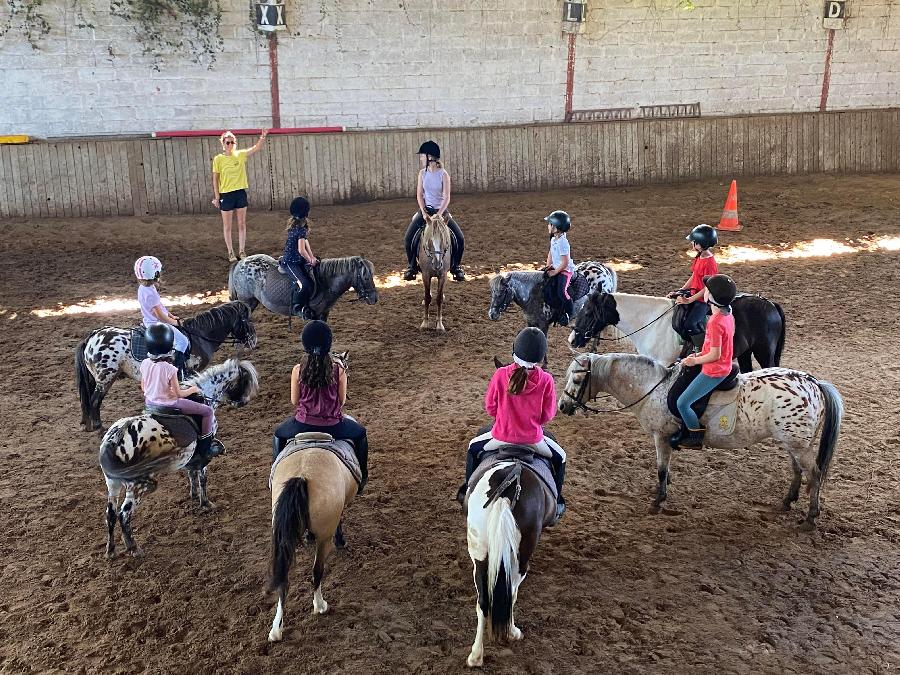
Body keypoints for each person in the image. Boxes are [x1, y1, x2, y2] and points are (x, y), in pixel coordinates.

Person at [457, 327, 567, 521]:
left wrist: (504, 418)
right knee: (561, 458)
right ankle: (557, 502)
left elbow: (490, 408)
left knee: (472, 449)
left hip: (500, 437)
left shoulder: (501, 374)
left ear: (515, 350)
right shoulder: (547, 380)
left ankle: (467, 491)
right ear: (541, 358)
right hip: (533, 440)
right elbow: (547, 416)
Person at [272, 321, 368, 492]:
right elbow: (342, 401)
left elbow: (295, 401)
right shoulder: (339, 370)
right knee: (361, 435)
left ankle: (273, 477)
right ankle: (362, 478)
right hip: (333, 425)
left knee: (278, 435)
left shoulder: (297, 369)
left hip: (301, 423)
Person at [669, 274, 737, 450]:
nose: (703, 291)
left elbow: (715, 354)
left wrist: (694, 360)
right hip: (724, 363)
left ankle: (695, 436)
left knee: (682, 403)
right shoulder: (728, 314)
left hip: (714, 370)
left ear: (711, 298)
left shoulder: (715, 321)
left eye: (706, 290)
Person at [141, 323, 225, 462]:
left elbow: (143, 387)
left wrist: (157, 390)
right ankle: (206, 448)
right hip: (169, 404)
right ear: (168, 345)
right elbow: (179, 394)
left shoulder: (145, 363)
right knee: (207, 411)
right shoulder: (170, 368)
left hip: (149, 403)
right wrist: (193, 389)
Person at [402, 140, 465, 282]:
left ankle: (456, 267)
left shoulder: (443, 174)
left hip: (441, 212)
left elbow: (447, 196)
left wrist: (439, 213)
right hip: (426, 211)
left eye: (422, 155)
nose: (420, 158)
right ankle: (412, 266)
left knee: (459, 238)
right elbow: (419, 195)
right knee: (408, 239)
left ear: (430, 156)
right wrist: (424, 212)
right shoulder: (422, 174)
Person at [211, 128, 269, 262]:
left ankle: (242, 251)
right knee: (227, 226)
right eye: (227, 143)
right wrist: (217, 197)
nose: (230, 145)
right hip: (226, 194)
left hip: (240, 193)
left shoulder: (240, 155)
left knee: (242, 223)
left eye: (232, 142)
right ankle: (231, 252)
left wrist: (263, 137)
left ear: (235, 143)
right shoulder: (218, 159)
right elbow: (215, 178)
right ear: (223, 144)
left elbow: (256, 148)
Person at [667, 224, 719, 351]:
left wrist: (690, 300)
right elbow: (694, 276)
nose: (692, 244)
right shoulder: (699, 257)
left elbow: (708, 288)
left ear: (701, 244)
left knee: (691, 323)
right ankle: (689, 343)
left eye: (694, 242)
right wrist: (681, 290)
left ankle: (700, 349)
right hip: (694, 293)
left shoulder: (710, 263)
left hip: (703, 299)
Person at [134, 256, 190, 372]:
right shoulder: (151, 293)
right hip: (157, 324)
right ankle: (177, 371)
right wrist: (174, 322)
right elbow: (159, 315)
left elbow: (159, 306)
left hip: (149, 320)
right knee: (183, 341)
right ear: (154, 274)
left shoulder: (144, 288)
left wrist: (170, 315)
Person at [280, 196, 317, 317]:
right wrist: (309, 259)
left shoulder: (295, 225)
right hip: (290, 262)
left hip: (298, 259)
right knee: (303, 284)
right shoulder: (300, 228)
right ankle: (296, 306)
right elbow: (301, 250)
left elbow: (305, 243)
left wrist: (311, 257)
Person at [543, 210, 576, 326]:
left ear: (555, 227)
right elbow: (551, 253)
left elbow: (565, 262)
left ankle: (569, 313)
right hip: (556, 267)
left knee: (562, 292)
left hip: (565, 270)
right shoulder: (554, 239)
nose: (548, 226)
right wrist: (548, 266)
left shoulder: (563, 243)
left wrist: (555, 272)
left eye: (550, 224)